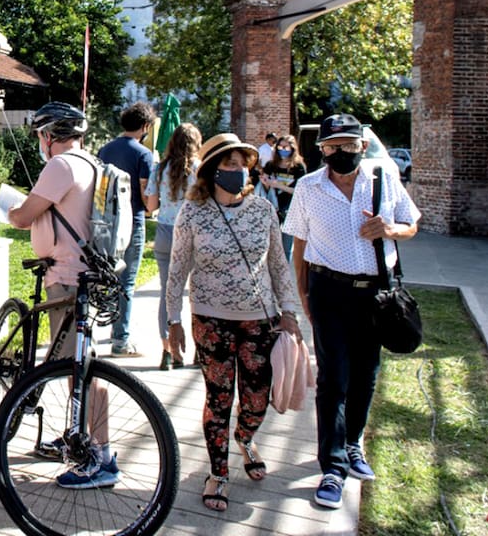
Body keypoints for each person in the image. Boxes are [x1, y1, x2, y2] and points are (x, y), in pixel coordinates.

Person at [282, 113, 419, 510]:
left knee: (366, 373)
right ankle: (333, 466)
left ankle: (353, 441)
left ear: (362, 145)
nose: (341, 152)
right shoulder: (309, 187)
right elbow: (301, 245)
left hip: (375, 292)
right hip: (329, 290)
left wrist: (389, 230)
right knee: (333, 378)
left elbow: (412, 224)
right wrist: (304, 293)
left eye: (348, 144)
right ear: (321, 149)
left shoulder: (382, 180)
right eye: (333, 146)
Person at [166, 133, 302, 513]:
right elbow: (177, 269)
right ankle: (218, 472)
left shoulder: (263, 211)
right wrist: (172, 319)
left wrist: (289, 313)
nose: (238, 171)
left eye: (243, 164)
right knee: (219, 397)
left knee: (257, 398)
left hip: (260, 320)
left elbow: (278, 264)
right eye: (229, 165)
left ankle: (245, 436)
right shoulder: (193, 213)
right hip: (210, 319)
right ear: (212, 171)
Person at [8, 101, 120, 490]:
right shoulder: (89, 163)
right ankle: (81, 437)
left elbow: (24, 217)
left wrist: (9, 212)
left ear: (49, 135)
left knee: (82, 370)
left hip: (68, 276)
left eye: (40, 134)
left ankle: (101, 456)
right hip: (86, 272)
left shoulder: (61, 165)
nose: (40, 141)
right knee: (81, 364)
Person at [96, 101, 156, 356]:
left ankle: (109, 329)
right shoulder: (143, 154)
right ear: (145, 126)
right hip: (133, 221)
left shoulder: (104, 150)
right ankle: (121, 340)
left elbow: (99, 189)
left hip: (106, 222)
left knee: (108, 278)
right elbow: (146, 195)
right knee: (126, 282)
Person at [143, 122, 201, 370]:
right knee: (198, 294)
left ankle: (169, 352)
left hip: (167, 232)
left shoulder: (159, 169)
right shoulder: (200, 169)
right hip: (195, 235)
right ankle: (200, 349)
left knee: (168, 294)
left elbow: (150, 206)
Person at [259, 133, 307, 259]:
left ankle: (285, 270)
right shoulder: (271, 165)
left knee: (286, 244)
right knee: (270, 242)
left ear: (292, 149)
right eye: (280, 147)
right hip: (273, 206)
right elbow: (264, 185)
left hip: (291, 208)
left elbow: (300, 191)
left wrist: (278, 185)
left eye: (286, 148)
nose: (282, 151)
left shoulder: (298, 167)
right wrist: (265, 182)